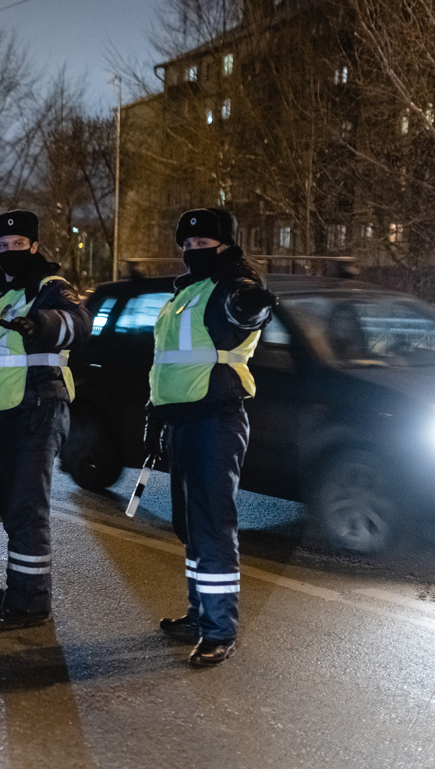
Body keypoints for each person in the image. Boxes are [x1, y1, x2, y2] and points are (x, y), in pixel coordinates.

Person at [144, 207, 276, 666]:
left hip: (215, 418)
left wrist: (252, 305)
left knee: (212, 525)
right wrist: (155, 418)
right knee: (190, 526)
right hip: (182, 419)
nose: (194, 251)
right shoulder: (188, 292)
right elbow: (168, 362)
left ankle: (219, 631)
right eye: (189, 244)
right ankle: (200, 616)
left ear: (225, 244)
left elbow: (245, 312)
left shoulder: (231, 287)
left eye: (204, 244)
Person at [0, 209, 91, 631]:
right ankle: (21, 586)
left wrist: (41, 323)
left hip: (41, 404)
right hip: (7, 410)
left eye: (17, 245)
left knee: (27, 507)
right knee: (13, 504)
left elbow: (78, 324)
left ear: (34, 245)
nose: (9, 252)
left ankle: (30, 604)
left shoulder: (50, 288)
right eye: (1, 247)